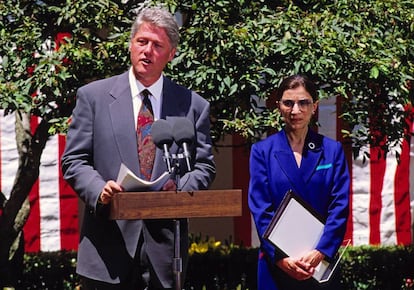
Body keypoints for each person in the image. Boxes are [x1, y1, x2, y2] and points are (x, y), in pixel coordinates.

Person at [61, 6, 216, 290]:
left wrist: (180, 186)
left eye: (157, 45)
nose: (147, 51)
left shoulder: (192, 105)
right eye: (141, 42)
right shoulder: (94, 97)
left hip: (166, 253)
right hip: (107, 249)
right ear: (131, 44)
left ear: (171, 54)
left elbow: (204, 166)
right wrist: (99, 190)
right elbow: (74, 160)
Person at [248, 75, 350, 290]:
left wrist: (321, 251)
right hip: (278, 264)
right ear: (279, 107)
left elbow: (339, 207)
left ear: (315, 106)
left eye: (303, 103)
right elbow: (261, 210)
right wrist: (281, 260)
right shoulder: (262, 152)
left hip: (320, 263)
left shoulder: (332, 151)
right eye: (288, 103)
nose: (296, 110)